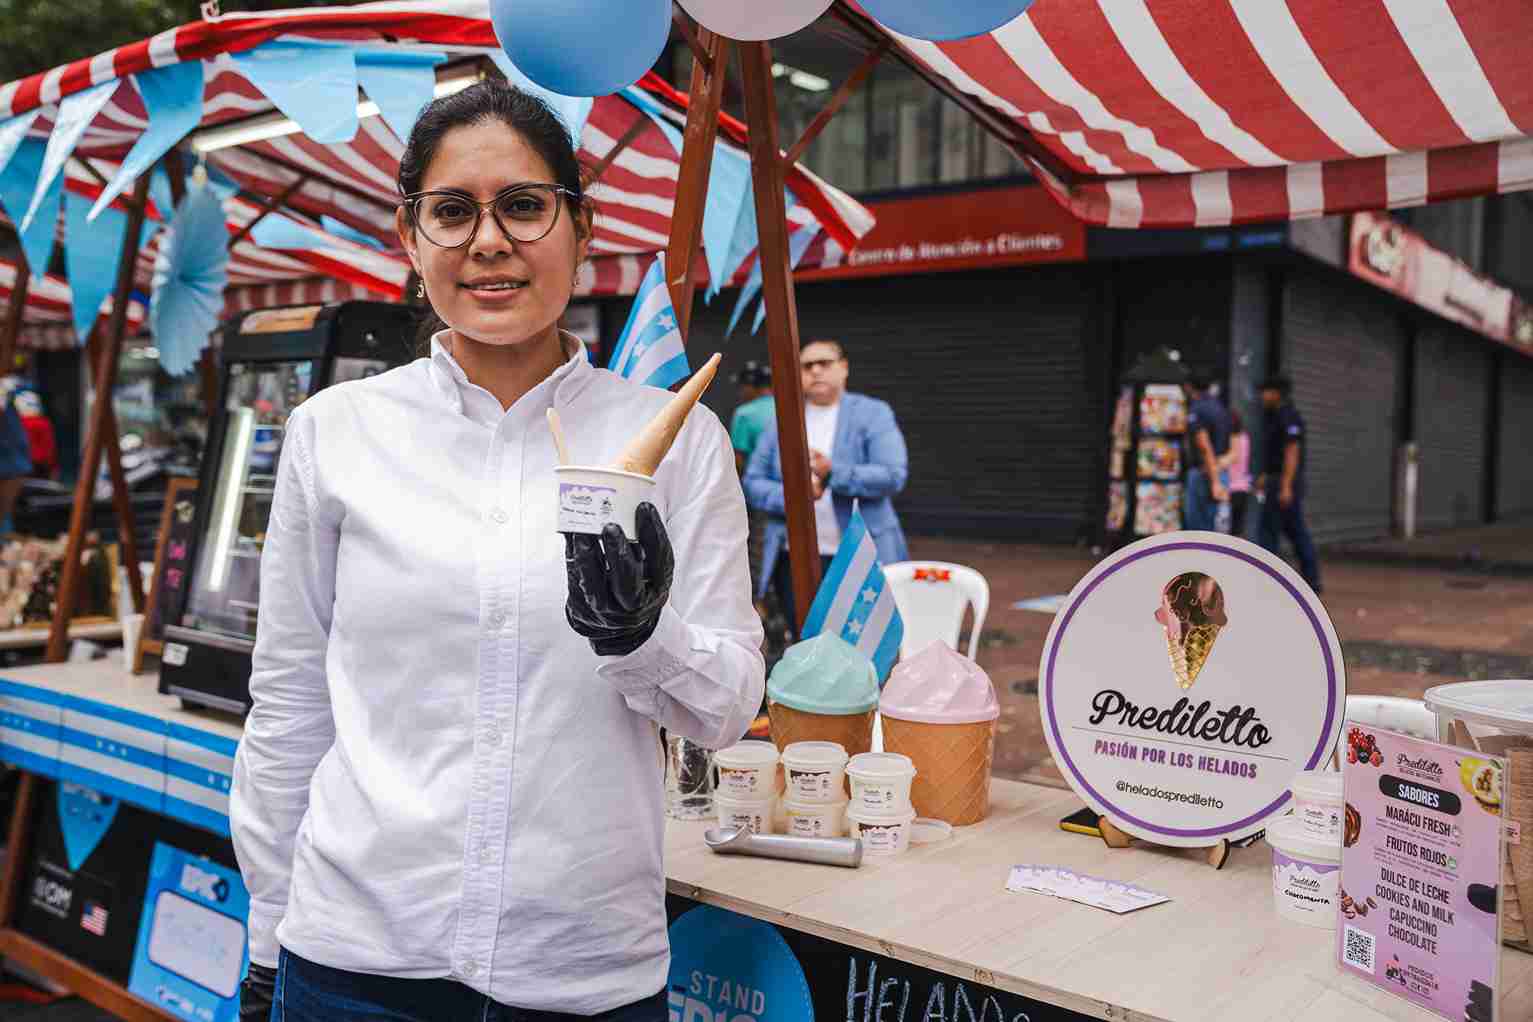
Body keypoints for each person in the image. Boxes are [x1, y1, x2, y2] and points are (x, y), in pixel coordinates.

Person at [231, 82, 763, 1022]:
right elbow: (290, 704)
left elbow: (725, 712)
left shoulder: (679, 438)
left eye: (524, 205)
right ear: (409, 238)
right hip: (355, 961)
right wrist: (267, 936)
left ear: (582, 226)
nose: (489, 242)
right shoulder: (335, 433)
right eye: (451, 212)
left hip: (583, 967)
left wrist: (641, 633)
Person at [743, 339, 908, 630]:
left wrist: (834, 473)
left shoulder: (872, 413)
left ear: (843, 368)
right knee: (806, 638)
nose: (816, 370)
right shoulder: (782, 420)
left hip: (861, 552)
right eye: (807, 366)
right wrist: (793, 497)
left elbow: (893, 474)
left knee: (864, 641)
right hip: (794, 555)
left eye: (825, 363)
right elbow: (752, 481)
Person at [1257, 375, 1321, 592]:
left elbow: (1292, 452)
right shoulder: (1275, 416)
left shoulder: (1288, 417)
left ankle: (1272, 581)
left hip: (1285, 483)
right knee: (1291, 531)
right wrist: (1267, 474)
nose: (1261, 396)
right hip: (1279, 480)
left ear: (1276, 393)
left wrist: (1285, 486)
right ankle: (1309, 579)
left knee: (1274, 533)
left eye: (1265, 391)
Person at [1182, 374, 1231, 532]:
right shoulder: (1220, 408)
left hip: (1204, 473)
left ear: (1188, 387)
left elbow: (1204, 446)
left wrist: (1214, 480)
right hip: (1220, 471)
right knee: (1213, 529)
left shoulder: (1197, 409)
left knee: (1197, 530)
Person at [729, 360, 773, 475]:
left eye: (741, 387)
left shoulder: (744, 413)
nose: (740, 393)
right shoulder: (787, 405)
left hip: (758, 483)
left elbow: (739, 459)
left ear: (749, 386)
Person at [1222, 409, 1252, 539]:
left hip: (1233, 488)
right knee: (1237, 531)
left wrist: (1214, 464)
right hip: (1243, 487)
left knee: (1230, 533)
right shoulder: (1245, 436)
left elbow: (1233, 457)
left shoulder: (1234, 436)